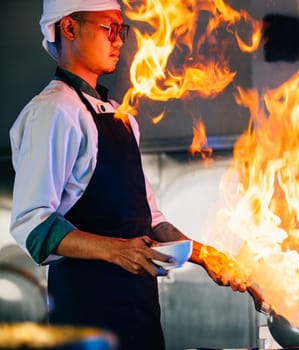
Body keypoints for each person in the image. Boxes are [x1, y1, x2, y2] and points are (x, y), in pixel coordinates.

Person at [9, 1, 246, 349]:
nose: (119, 40)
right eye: (110, 28)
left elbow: (151, 220)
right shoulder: (54, 111)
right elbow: (33, 224)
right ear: (70, 28)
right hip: (87, 320)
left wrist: (206, 256)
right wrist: (118, 251)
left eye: (122, 30)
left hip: (140, 315)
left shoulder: (121, 118)